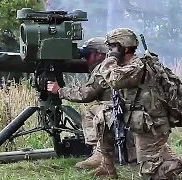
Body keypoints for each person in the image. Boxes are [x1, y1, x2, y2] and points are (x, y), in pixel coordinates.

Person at [85, 28, 182, 179]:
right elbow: (98, 85)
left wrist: (110, 60)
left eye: (113, 47)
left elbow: (115, 80)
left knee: (151, 175)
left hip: (150, 124)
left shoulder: (137, 66)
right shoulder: (123, 66)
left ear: (125, 48)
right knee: (103, 118)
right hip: (133, 117)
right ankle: (107, 167)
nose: (110, 51)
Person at [47, 37, 137, 171]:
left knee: (89, 109)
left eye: (88, 55)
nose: (86, 60)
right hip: (137, 109)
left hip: (121, 109)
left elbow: (86, 94)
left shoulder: (105, 67)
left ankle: (99, 153)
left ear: (99, 54)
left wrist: (59, 91)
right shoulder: (130, 62)